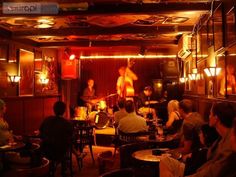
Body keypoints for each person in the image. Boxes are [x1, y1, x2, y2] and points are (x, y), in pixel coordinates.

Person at [160, 102, 235, 177]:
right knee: (165, 161)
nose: (209, 117)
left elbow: (214, 171)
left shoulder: (230, 142)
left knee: (166, 161)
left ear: (216, 118)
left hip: (199, 171)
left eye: (210, 114)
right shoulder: (222, 136)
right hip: (199, 168)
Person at [39, 101, 73, 176]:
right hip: (59, 151)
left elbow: (40, 132)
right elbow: (70, 137)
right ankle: (64, 169)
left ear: (54, 109)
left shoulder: (47, 120)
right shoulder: (66, 123)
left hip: (45, 150)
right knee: (67, 145)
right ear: (64, 111)